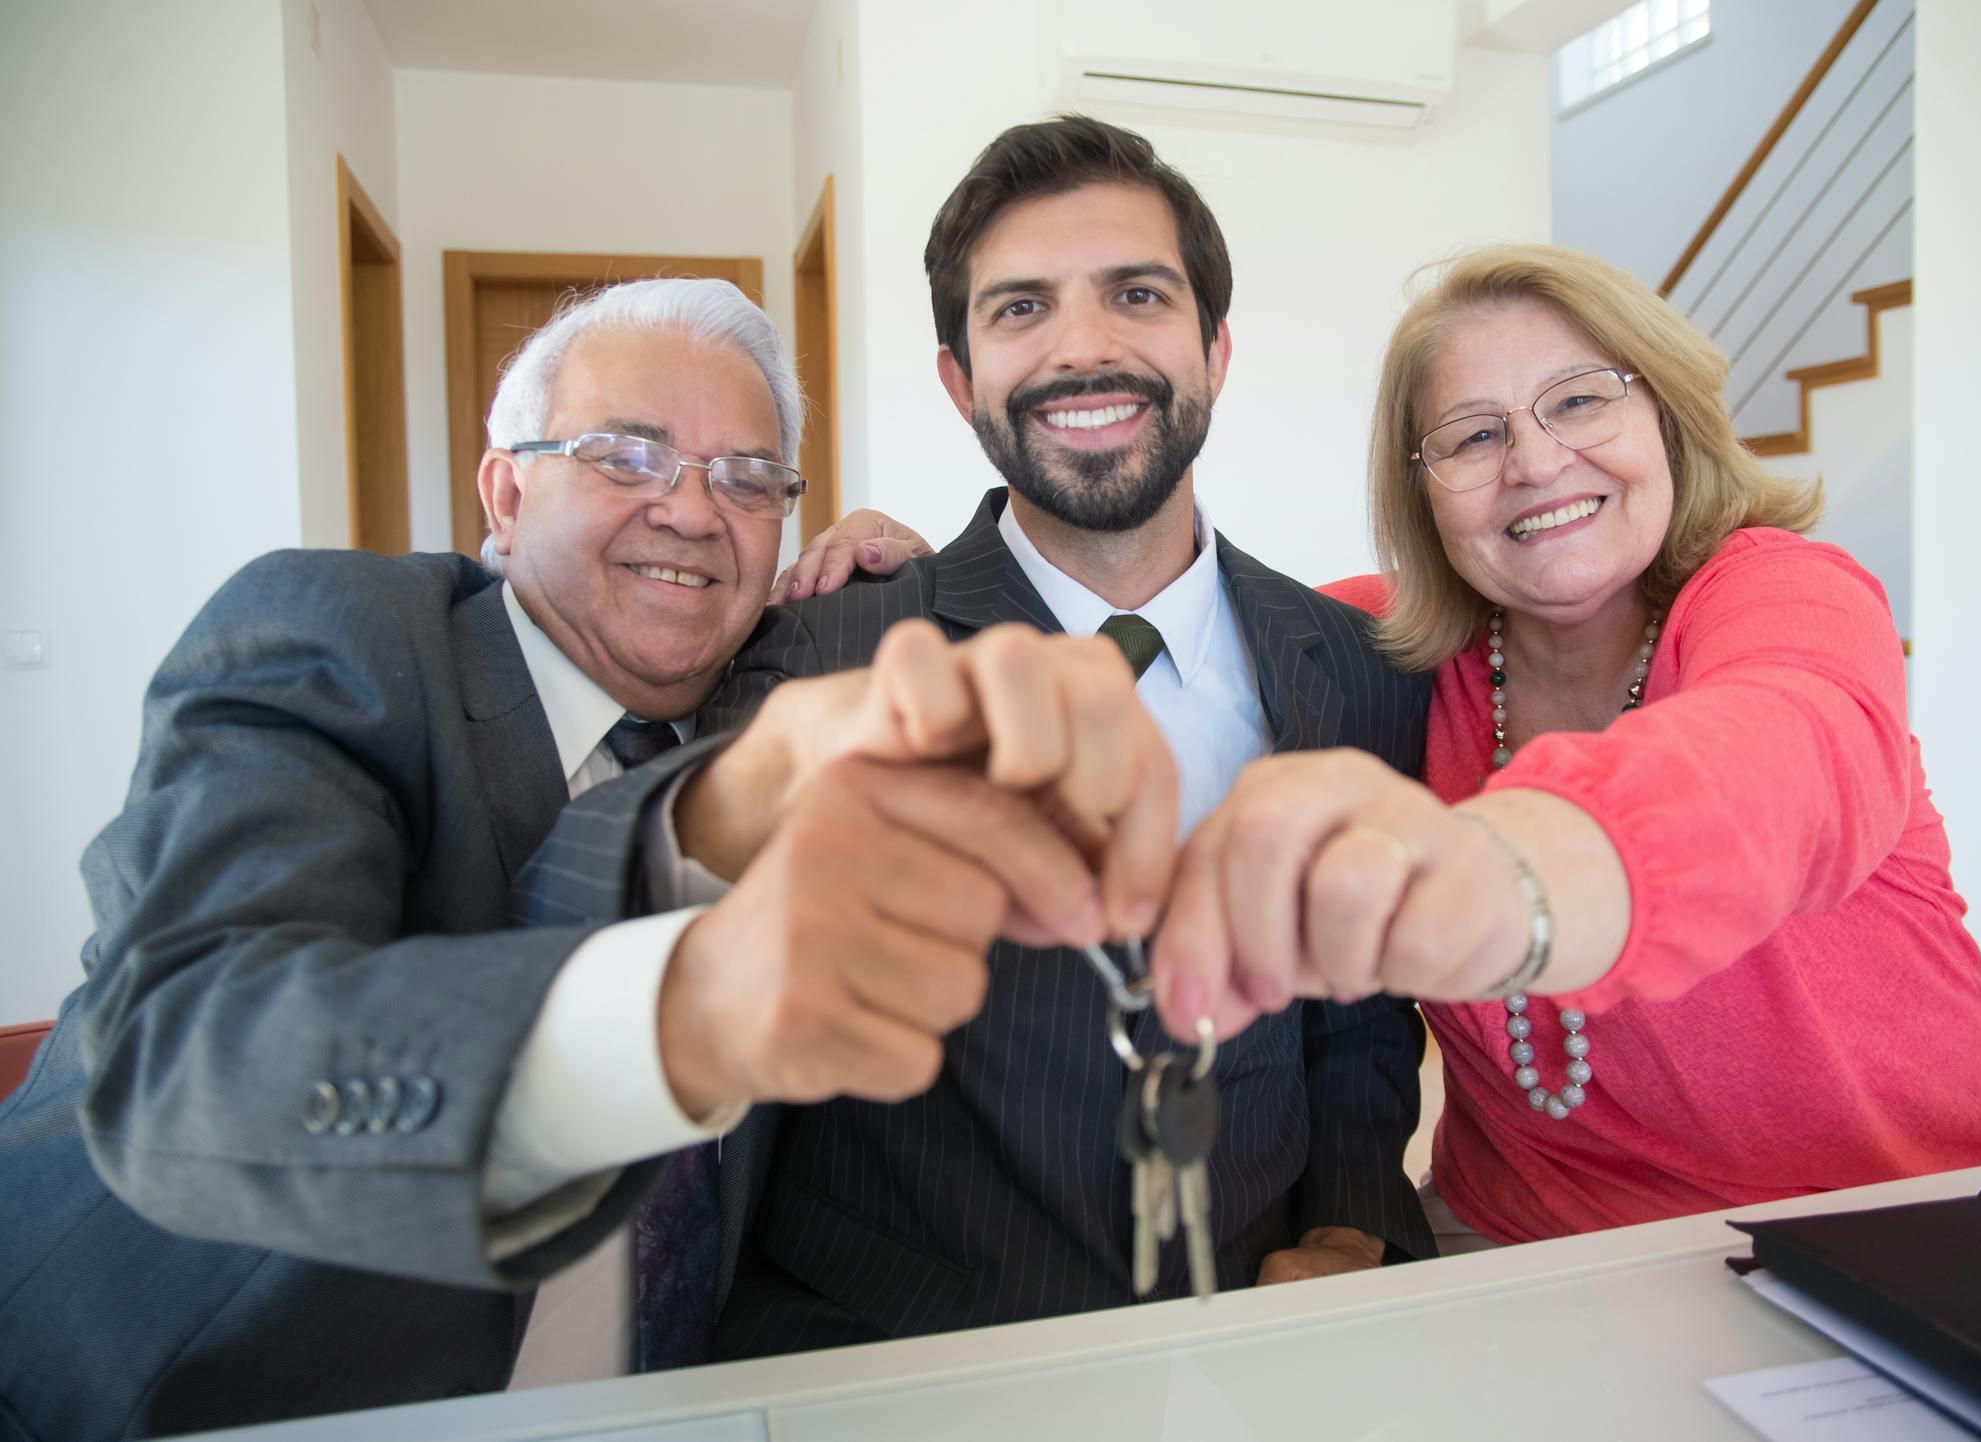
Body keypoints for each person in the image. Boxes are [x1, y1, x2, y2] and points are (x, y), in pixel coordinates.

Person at [0, 277, 1168, 1439]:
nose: (694, 511)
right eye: (626, 454)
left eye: (749, 478)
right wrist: (676, 1006)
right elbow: (189, 1056)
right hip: (169, 1397)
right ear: (506, 493)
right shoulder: (337, 639)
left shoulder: (775, 687)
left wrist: (890, 560)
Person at [516, 115, 1437, 1363]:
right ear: (959, 380)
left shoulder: (1358, 670)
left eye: (1137, 293)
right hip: (886, 1358)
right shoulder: (821, 649)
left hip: (1255, 1352)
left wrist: (1346, 1225)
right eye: (1019, 310)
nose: (1084, 347)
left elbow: (1363, 1020)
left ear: (1214, 347)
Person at [1149, 243, 1981, 1250]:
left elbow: (1790, 755)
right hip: (1527, 1244)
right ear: (1421, 491)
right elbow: (1165, 643)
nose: (1537, 461)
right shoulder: (1378, 652)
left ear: (1667, 414)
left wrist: (1500, 869)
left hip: (1917, 1228)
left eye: (1580, 400)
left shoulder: (1785, 592)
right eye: (1473, 436)